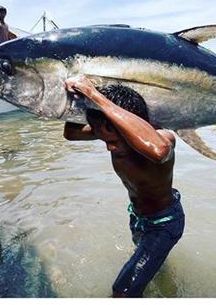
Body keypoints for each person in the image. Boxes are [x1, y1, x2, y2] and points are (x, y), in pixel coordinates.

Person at [62, 75, 184, 298]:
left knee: (122, 291)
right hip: (138, 218)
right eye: (104, 140)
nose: (109, 148)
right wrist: (79, 100)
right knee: (148, 266)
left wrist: (94, 95)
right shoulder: (110, 132)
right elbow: (70, 133)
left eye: (114, 143)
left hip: (164, 223)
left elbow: (159, 151)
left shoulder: (161, 136)